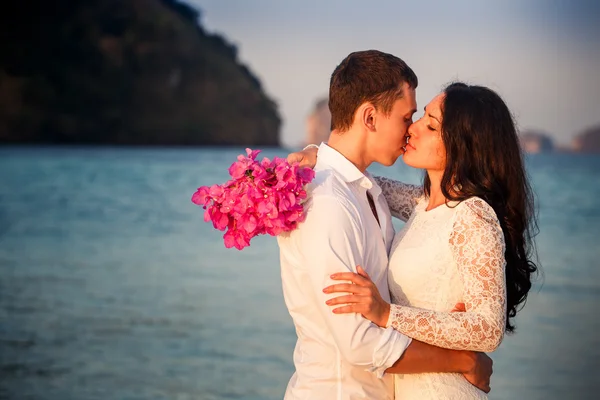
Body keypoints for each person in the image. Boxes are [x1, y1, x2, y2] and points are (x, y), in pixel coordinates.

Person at [290, 82, 540, 399]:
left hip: (443, 390)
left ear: (464, 145)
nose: (414, 129)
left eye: (431, 125)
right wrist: (318, 157)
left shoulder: (473, 216)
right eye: (420, 116)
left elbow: (488, 330)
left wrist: (386, 313)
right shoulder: (423, 204)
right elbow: (360, 180)